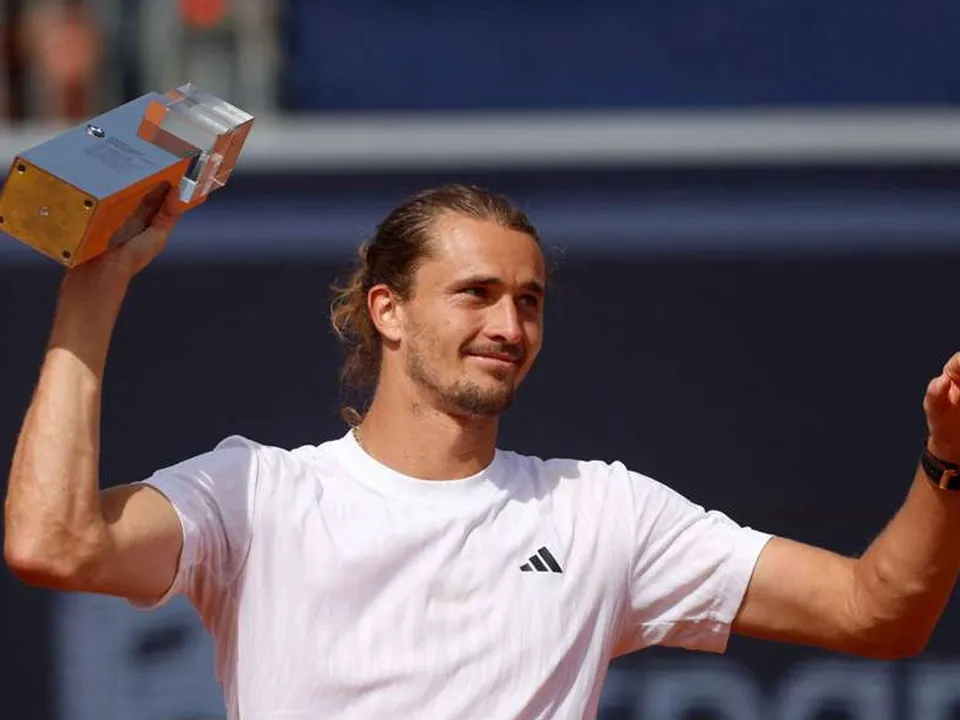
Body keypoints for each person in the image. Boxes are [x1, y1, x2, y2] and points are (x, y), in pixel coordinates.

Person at [5, 184, 960, 719]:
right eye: (475, 293)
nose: (510, 324)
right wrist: (95, 288)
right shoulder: (258, 490)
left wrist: (948, 462)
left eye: (530, 299)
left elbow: (879, 615)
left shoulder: (603, 512)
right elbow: (55, 543)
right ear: (389, 309)